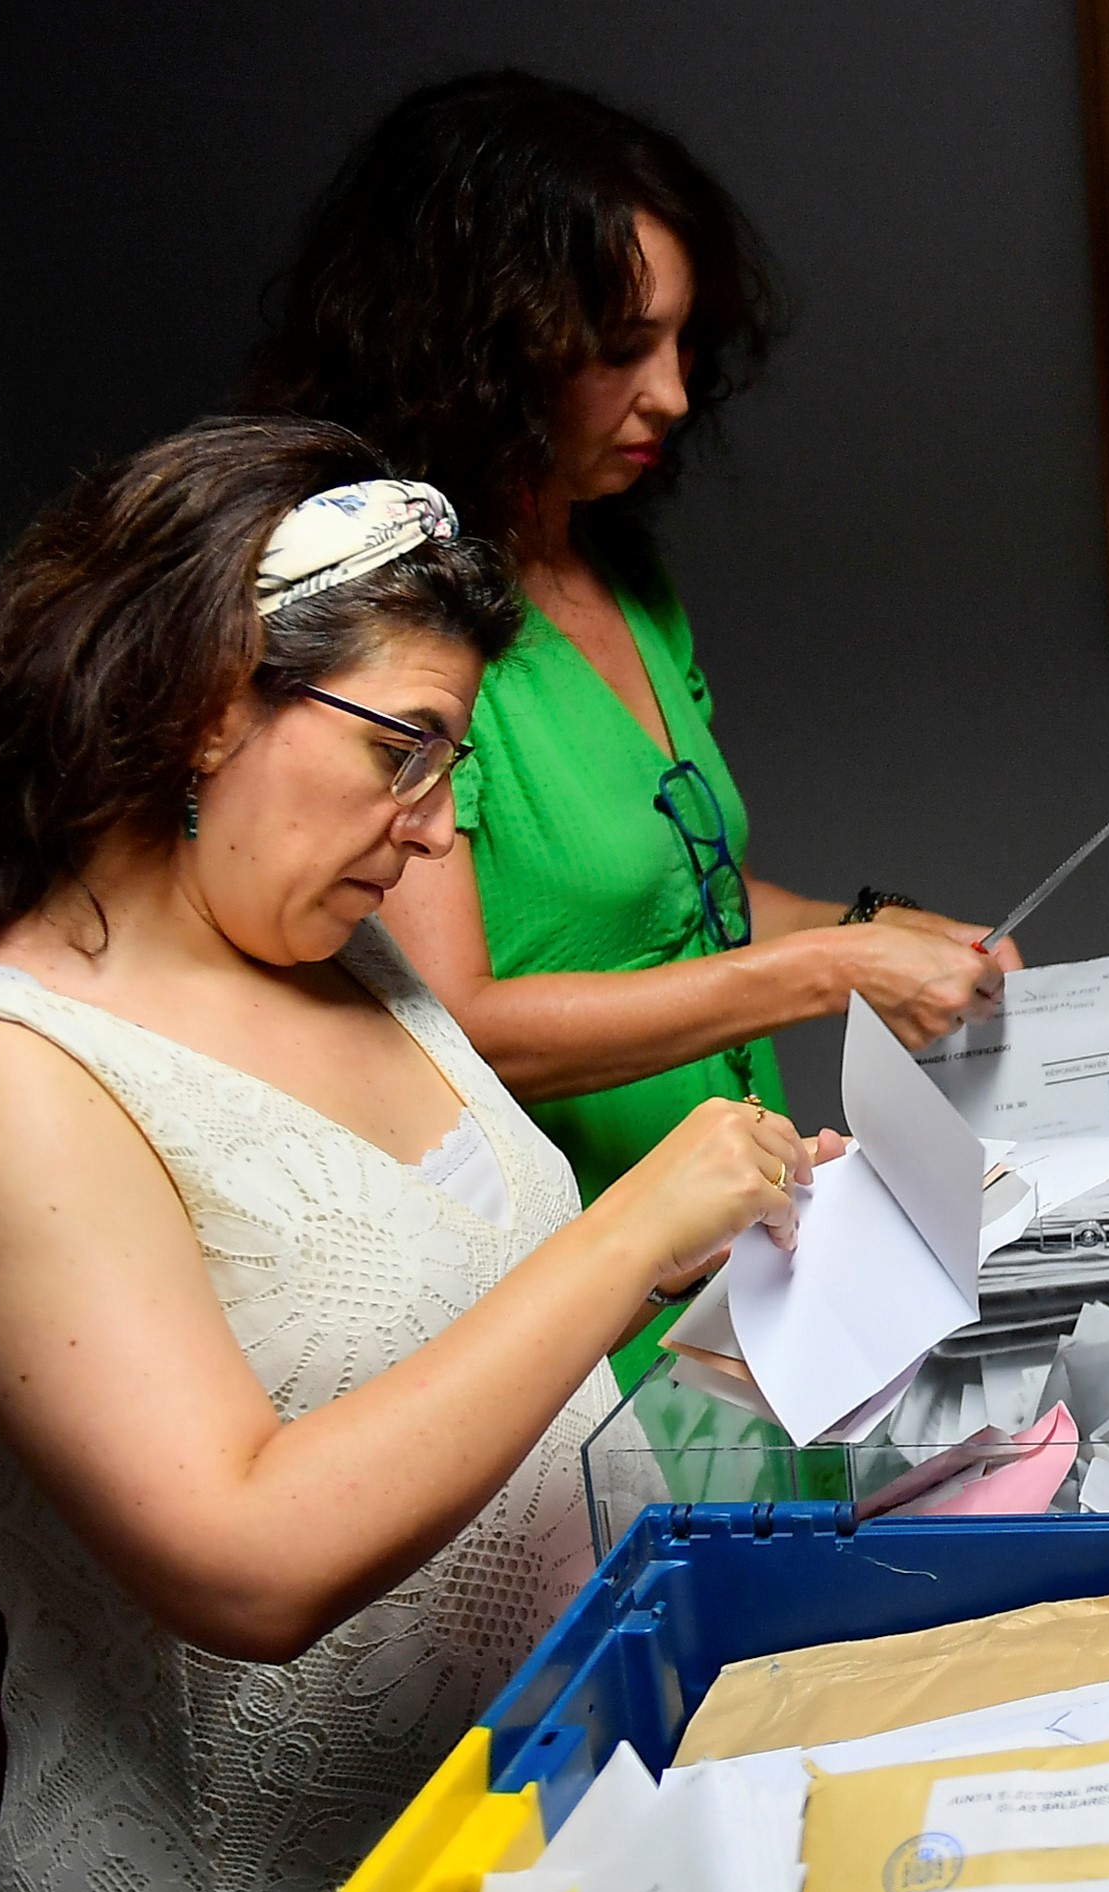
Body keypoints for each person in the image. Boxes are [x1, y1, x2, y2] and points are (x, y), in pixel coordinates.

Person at [0, 419, 828, 1892]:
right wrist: (619, 1238)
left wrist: (741, 1260)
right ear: (206, 696)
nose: (441, 822)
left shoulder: (347, 959)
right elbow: (243, 1551)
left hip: (547, 1836)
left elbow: (480, 1348)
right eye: (403, 747)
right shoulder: (0, 1076)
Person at [247, 72, 1013, 1375]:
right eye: (617, 350)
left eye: (680, 344)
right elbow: (454, 1023)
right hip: (584, 1308)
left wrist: (872, 931)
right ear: (478, 340)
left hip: (749, 1263)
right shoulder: (406, 633)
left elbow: (688, 895)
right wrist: (829, 973)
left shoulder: (623, 576)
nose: (669, 393)